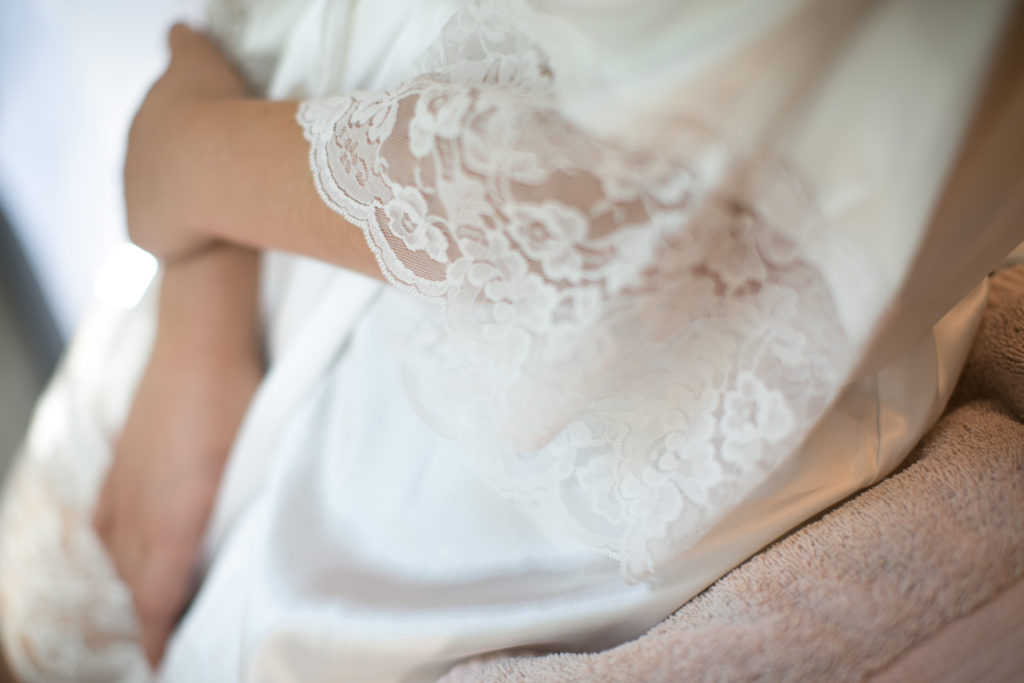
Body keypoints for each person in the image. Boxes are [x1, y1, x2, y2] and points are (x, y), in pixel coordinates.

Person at [1, 0, 1021, 680]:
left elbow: (624, 218)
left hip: (535, 438)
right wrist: (199, 286)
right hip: (241, 239)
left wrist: (179, 163)